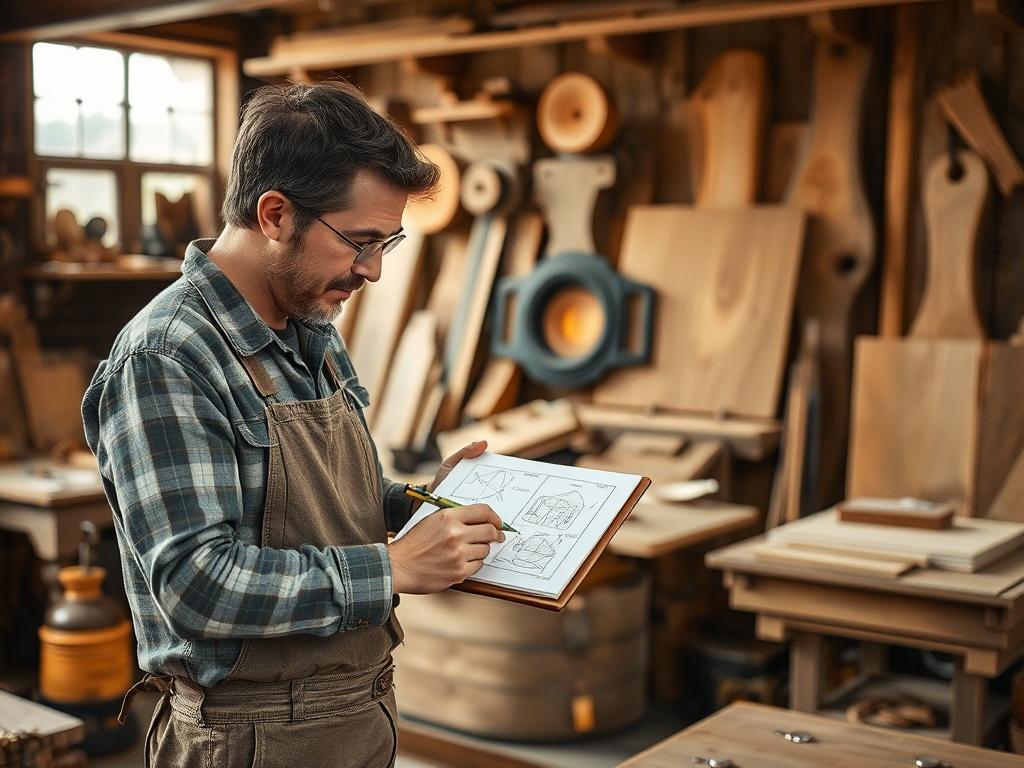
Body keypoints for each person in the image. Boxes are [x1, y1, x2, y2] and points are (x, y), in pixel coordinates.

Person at [82, 80, 504, 767]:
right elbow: (197, 582)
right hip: (251, 736)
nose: (371, 271)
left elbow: (308, 501)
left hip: (356, 709)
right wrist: (393, 566)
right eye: (359, 241)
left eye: (387, 243)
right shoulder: (168, 356)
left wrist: (423, 500)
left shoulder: (307, 323)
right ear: (275, 214)